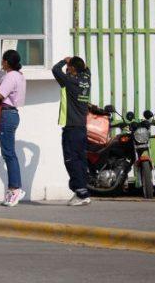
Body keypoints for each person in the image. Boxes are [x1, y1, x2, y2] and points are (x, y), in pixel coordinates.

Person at [0, 49, 26, 207]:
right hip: (12, 114)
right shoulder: (19, 76)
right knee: (9, 153)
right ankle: (14, 189)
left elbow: (0, 95)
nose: (1, 62)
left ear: (7, 62)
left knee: (8, 154)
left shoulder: (11, 76)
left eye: (3, 60)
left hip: (6, 115)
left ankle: (15, 189)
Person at [52, 56, 93, 206]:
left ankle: (81, 192)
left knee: (71, 160)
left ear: (74, 69)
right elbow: (87, 70)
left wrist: (64, 60)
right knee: (80, 160)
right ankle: (83, 192)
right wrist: (77, 63)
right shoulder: (86, 80)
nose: (67, 69)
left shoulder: (70, 82)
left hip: (72, 129)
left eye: (69, 67)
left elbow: (55, 70)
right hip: (81, 128)